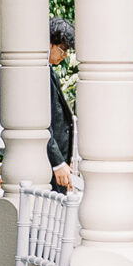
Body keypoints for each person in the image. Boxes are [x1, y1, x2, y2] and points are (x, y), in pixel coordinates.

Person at [47, 19, 77, 191]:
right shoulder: (40, 72)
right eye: (62, 49)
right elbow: (43, 123)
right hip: (49, 163)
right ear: (50, 43)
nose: (64, 55)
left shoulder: (50, 71)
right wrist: (58, 162)